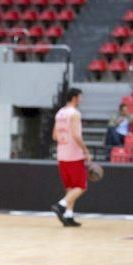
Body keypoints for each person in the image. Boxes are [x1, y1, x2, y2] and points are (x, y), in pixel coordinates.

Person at [51, 88, 91, 227]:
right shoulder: (74, 114)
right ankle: (61, 205)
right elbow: (76, 135)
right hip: (74, 155)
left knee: (70, 188)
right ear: (74, 98)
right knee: (81, 186)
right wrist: (85, 150)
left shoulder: (59, 113)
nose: (81, 100)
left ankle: (68, 216)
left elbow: (55, 136)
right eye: (80, 97)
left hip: (61, 154)